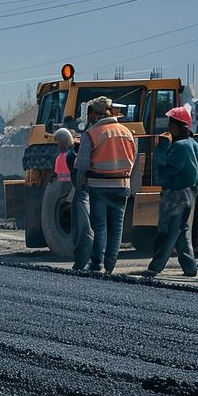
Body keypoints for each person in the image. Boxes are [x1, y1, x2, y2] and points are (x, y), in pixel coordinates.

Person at [75, 97, 135, 274]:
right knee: (116, 228)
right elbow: (133, 158)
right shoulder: (127, 132)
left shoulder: (92, 133)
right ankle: (110, 266)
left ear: (94, 114)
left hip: (99, 186)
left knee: (100, 226)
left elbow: (83, 164)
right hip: (122, 185)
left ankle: (97, 264)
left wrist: (80, 182)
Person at [142, 106, 198, 278]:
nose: (169, 128)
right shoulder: (195, 145)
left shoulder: (179, 147)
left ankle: (155, 267)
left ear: (181, 126)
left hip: (176, 194)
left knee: (168, 231)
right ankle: (190, 268)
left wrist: (161, 147)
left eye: (172, 124)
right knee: (181, 232)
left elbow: (163, 166)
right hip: (190, 193)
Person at [54, 127, 92, 271]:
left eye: (58, 143)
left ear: (63, 142)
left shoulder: (70, 156)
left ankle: (82, 262)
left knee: (82, 228)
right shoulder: (75, 151)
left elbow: (75, 178)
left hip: (81, 193)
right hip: (81, 192)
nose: (57, 147)